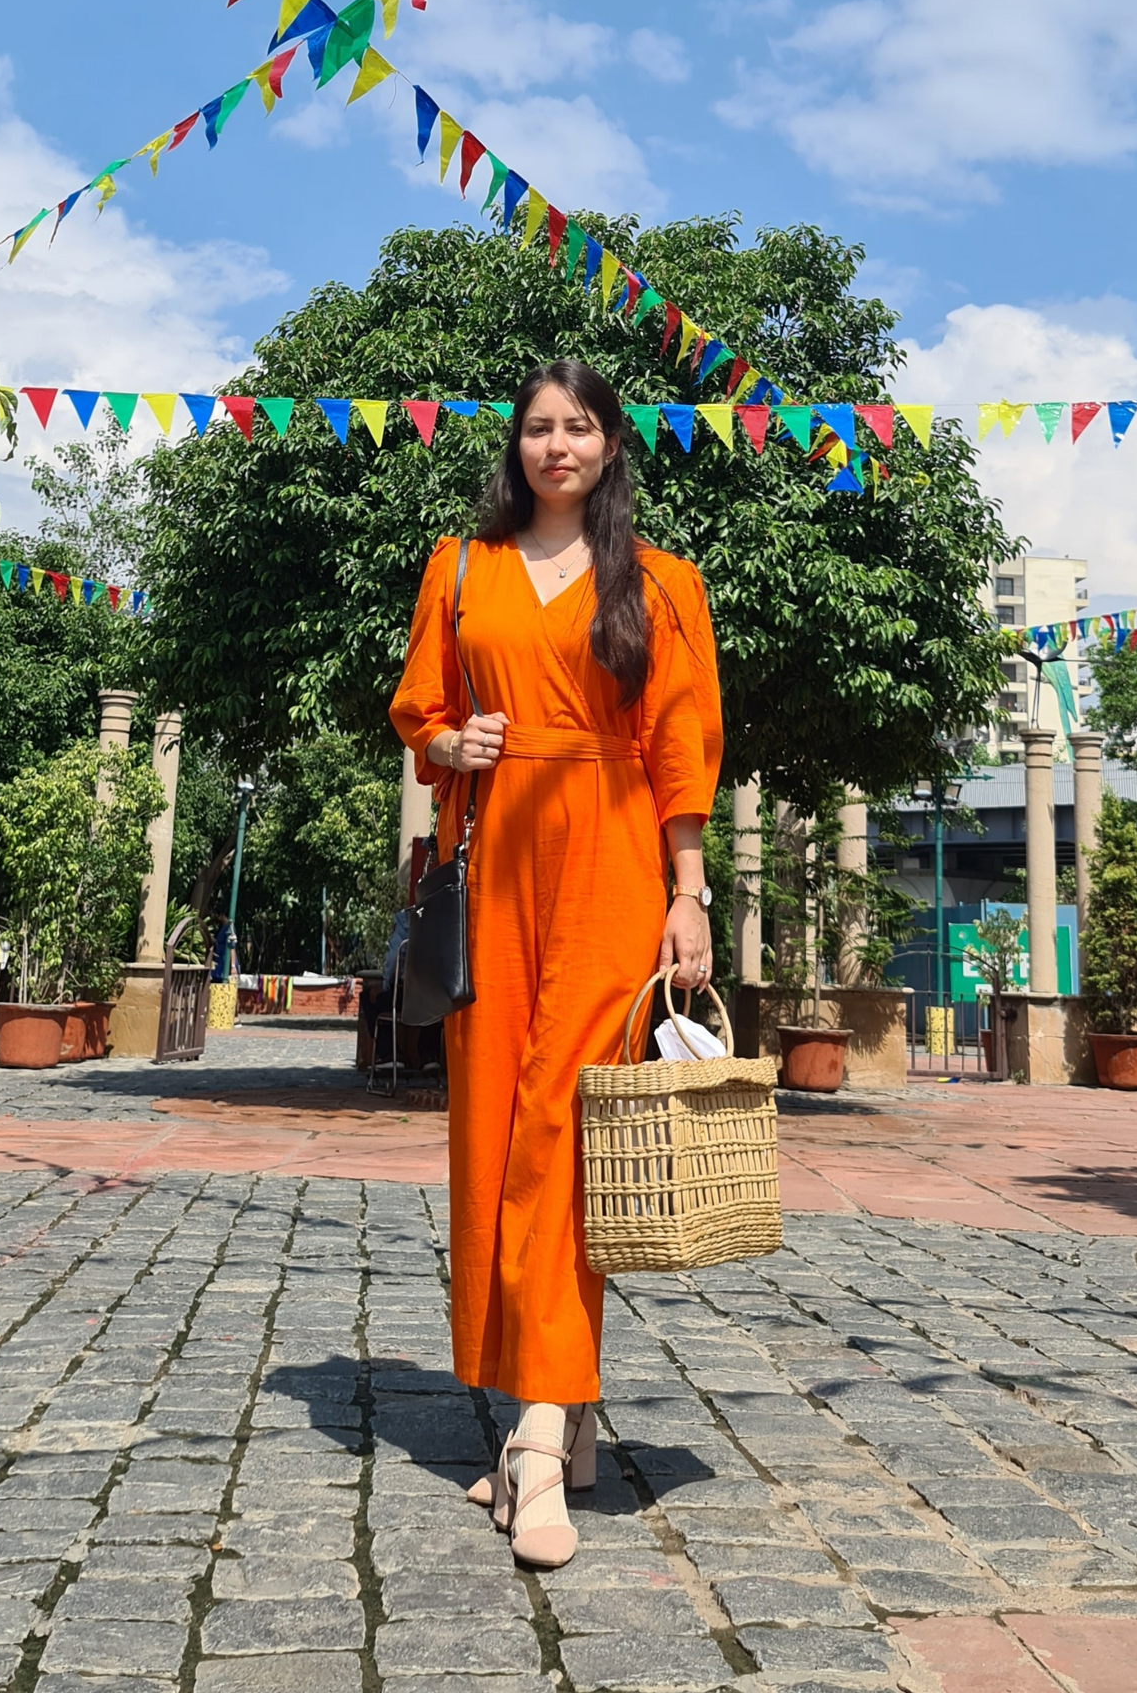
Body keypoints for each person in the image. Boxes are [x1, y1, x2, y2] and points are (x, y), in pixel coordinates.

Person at [390, 360, 722, 1569]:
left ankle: (535, 1444)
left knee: (558, 1132)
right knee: (490, 1130)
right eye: (537, 426)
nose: (556, 445)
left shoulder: (662, 583)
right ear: (515, 446)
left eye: (578, 426)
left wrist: (690, 897)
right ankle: (563, 1403)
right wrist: (452, 741)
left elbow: (679, 743)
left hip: (614, 861)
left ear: (611, 445)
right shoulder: (459, 568)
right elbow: (418, 711)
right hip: (495, 865)